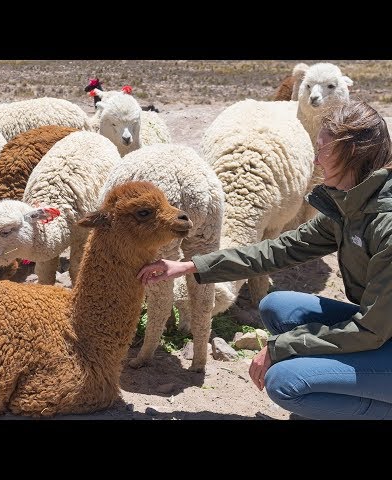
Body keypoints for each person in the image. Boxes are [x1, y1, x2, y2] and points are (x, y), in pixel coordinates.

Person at [137, 100, 392, 420]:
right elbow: (279, 249)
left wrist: (280, 347)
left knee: (284, 382)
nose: (315, 160)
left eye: (323, 150)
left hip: (379, 331)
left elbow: (371, 330)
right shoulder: (350, 204)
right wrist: (192, 266)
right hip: (383, 326)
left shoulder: (386, 225)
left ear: (351, 153)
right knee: (277, 307)